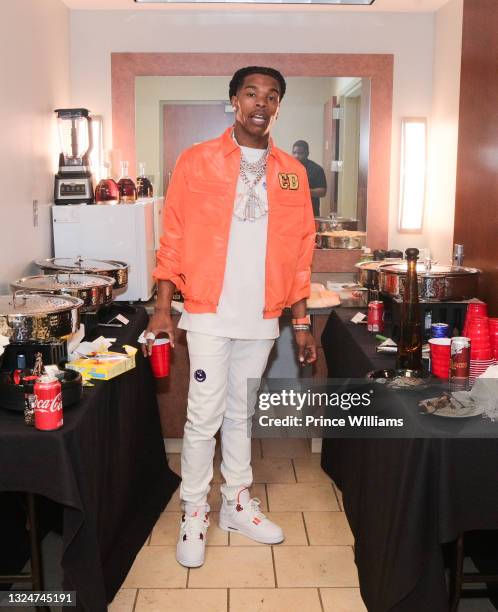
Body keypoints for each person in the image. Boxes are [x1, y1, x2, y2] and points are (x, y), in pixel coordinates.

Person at [143, 66, 316, 569]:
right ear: (234, 101)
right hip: (208, 313)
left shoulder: (292, 171)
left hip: (262, 316)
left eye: (272, 96)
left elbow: (301, 252)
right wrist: (160, 310)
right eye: (251, 93)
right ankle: (194, 510)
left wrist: (301, 325)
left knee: (242, 414)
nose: (261, 103)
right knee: (203, 415)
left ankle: (237, 504)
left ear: (278, 107)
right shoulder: (197, 162)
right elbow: (171, 238)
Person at [292, 140, 327, 216]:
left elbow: (322, 192)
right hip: (292, 212)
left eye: (300, 153)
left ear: (307, 153)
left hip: (310, 212)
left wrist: (304, 191)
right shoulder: (287, 168)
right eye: (294, 153)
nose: (296, 156)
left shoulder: (316, 169)